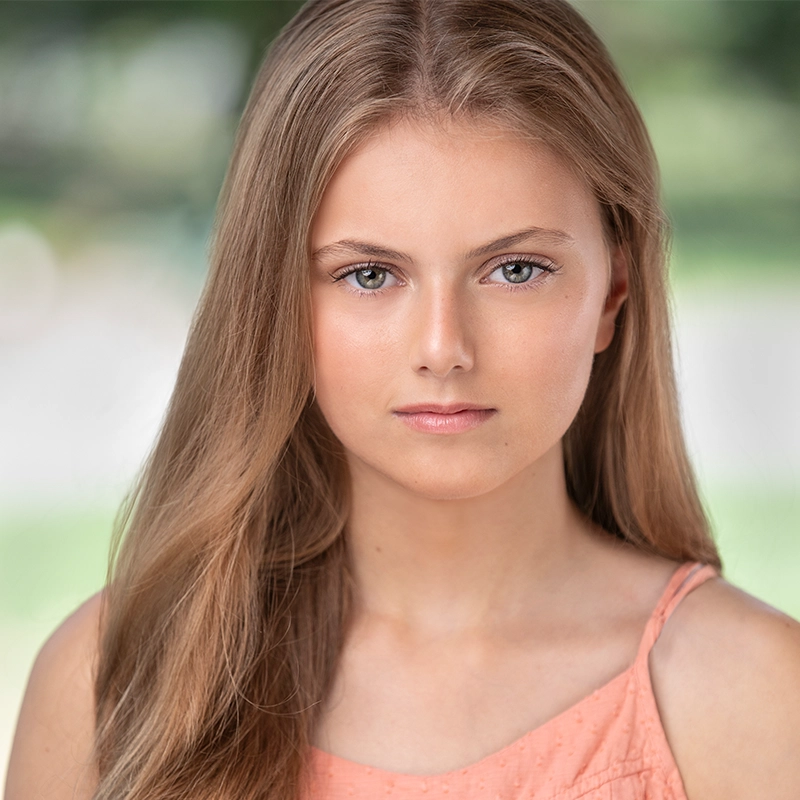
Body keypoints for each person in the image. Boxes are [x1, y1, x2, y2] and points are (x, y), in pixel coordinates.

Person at [5, 0, 800, 798]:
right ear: (275, 299)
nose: (442, 350)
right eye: (369, 275)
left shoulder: (749, 697)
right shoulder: (115, 684)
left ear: (612, 292)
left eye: (515, 269)